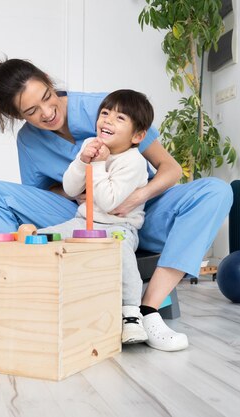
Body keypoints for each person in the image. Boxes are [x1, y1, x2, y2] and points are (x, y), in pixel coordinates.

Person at [0, 58, 233, 352]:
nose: (47, 112)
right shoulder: (28, 142)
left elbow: (170, 169)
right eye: (31, 111)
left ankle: (147, 310)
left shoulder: (109, 109)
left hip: (142, 213)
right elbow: (44, 193)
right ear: (16, 114)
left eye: (47, 97)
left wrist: (136, 196)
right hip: (81, 217)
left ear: (49, 80)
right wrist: (78, 191)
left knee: (216, 191)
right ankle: (12, 299)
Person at [37, 89, 152, 345]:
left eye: (120, 118)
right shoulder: (91, 146)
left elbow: (108, 201)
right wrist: (82, 161)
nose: (108, 120)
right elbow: (69, 188)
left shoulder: (133, 162)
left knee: (121, 252)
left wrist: (98, 165)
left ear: (138, 136)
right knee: (42, 237)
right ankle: (39, 298)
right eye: (105, 113)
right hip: (82, 223)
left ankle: (131, 315)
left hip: (119, 227)